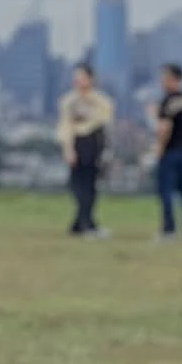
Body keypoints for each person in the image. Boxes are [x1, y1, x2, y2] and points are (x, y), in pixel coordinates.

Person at [56, 63, 114, 238]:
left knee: (90, 186)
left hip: (94, 142)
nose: (77, 81)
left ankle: (83, 223)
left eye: (81, 77)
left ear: (91, 79)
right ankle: (84, 223)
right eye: (76, 77)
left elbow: (102, 122)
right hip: (77, 142)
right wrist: (68, 149)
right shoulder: (68, 101)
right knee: (78, 186)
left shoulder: (102, 101)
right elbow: (65, 126)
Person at [152, 64, 182, 238]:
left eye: (165, 78)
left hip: (171, 152)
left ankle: (169, 229)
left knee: (167, 192)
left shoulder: (168, 101)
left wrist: (159, 148)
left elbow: (164, 127)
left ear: (174, 79)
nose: (162, 82)